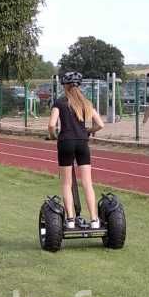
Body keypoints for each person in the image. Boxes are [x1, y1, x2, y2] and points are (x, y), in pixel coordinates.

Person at [47, 71, 105, 230]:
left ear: (65, 86)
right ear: (79, 86)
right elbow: (100, 125)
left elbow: (52, 125)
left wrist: (53, 136)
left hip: (66, 142)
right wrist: (87, 131)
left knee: (66, 183)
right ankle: (94, 221)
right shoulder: (87, 103)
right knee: (87, 183)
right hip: (82, 143)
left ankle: (71, 220)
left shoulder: (60, 102)